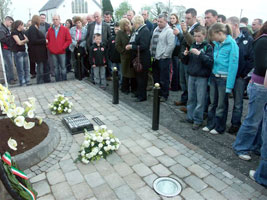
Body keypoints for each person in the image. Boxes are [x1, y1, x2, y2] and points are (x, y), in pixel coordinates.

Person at [233, 21, 267, 162]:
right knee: (253, 119)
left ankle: (256, 146)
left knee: (262, 122)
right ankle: (241, 146)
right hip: (259, 85)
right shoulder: (262, 41)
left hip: (262, 85)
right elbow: (262, 65)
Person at [202, 23, 239, 135]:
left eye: (213, 36)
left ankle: (219, 127)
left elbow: (233, 66)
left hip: (224, 79)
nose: (212, 39)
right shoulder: (217, 44)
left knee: (221, 104)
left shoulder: (232, 45)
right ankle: (210, 124)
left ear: (220, 33)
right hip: (214, 77)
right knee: (213, 103)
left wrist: (229, 86)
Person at [180, 26, 213, 130]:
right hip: (191, 75)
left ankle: (198, 120)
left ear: (204, 35)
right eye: (195, 36)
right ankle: (190, 117)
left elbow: (210, 62)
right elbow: (186, 62)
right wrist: (185, 55)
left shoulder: (208, 47)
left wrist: (200, 54)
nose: (197, 38)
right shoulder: (193, 45)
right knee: (191, 98)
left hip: (202, 77)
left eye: (199, 36)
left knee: (200, 100)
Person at [226, 17, 254, 134]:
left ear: (235, 25)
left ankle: (235, 124)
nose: (226, 28)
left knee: (237, 102)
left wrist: (243, 75)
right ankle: (221, 121)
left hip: (239, 77)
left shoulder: (248, 40)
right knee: (224, 100)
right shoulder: (227, 39)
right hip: (227, 75)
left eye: (228, 25)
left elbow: (251, 59)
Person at [174, 8, 200, 110]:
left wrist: (184, 32)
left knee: (189, 84)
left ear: (194, 17)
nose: (186, 20)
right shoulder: (189, 28)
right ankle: (184, 100)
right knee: (183, 82)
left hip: (190, 60)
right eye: (185, 18)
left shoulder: (197, 28)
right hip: (183, 57)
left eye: (188, 18)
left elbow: (193, 43)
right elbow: (184, 41)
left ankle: (189, 105)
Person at [126, 15, 151, 102]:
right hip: (138, 58)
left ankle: (142, 96)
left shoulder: (145, 31)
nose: (132, 25)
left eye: (133, 23)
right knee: (138, 77)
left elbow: (144, 46)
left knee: (142, 78)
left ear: (137, 23)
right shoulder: (139, 30)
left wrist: (132, 46)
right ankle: (138, 93)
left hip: (143, 59)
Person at [151, 14, 175, 102]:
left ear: (166, 21)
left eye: (161, 22)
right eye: (158, 21)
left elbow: (171, 45)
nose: (159, 23)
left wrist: (165, 55)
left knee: (164, 78)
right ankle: (158, 93)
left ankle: (164, 95)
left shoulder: (169, 31)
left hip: (164, 58)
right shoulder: (156, 29)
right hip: (155, 57)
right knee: (156, 76)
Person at [46, 15, 72, 82]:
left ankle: (64, 80)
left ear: (59, 20)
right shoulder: (50, 30)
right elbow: (47, 40)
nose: (55, 21)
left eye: (56, 19)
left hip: (62, 52)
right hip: (53, 52)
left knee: (63, 67)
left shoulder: (65, 29)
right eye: (54, 19)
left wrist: (63, 47)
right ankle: (57, 81)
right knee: (56, 68)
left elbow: (69, 40)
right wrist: (50, 47)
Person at [115, 18, 136, 94]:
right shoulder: (120, 33)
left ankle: (134, 89)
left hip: (133, 55)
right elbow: (117, 45)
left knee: (133, 73)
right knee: (125, 72)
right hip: (125, 56)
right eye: (125, 25)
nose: (127, 26)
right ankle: (125, 88)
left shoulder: (134, 31)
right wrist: (123, 51)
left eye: (128, 24)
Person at [27, 15, 49, 84]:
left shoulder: (35, 28)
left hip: (41, 51)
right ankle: (40, 81)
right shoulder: (33, 28)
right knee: (40, 67)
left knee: (43, 66)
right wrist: (44, 41)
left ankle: (45, 79)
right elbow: (33, 40)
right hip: (37, 52)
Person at [11, 20, 30, 86]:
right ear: (19, 25)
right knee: (20, 68)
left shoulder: (22, 32)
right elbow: (19, 43)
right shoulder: (14, 33)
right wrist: (24, 41)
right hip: (18, 52)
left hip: (24, 51)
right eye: (22, 25)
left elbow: (27, 39)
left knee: (26, 68)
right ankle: (22, 81)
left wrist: (23, 41)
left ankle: (27, 80)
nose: (23, 26)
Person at [0, 16, 16, 85]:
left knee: (9, 64)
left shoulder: (5, 29)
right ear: (6, 21)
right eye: (10, 22)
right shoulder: (2, 29)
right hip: (5, 48)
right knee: (8, 64)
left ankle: (9, 78)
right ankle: (10, 79)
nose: (11, 24)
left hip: (8, 48)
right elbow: (3, 39)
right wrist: (10, 39)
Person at [170, 13, 183, 91]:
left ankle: (175, 86)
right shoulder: (171, 26)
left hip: (176, 48)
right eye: (171, 18)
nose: (172, 20)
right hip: (173, 48)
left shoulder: (178, 27)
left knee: (175, 67)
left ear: (176, 19)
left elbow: (179, 38)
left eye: (173, 18)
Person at [39, 13, 51, 82]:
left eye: (43, 18)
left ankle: (47, 77)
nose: (42, 19)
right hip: (39, 46)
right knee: (41, 63)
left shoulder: (48, 25)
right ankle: (41, 78)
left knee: (47, 62)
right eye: (41, 18)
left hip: (47, 45)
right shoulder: (36, 26)